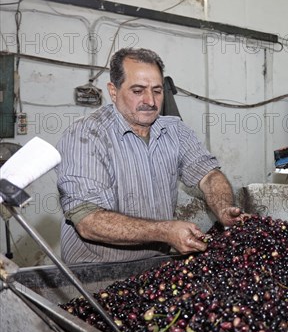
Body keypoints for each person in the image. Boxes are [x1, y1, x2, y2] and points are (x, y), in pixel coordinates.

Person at [56, 48, 243, 264]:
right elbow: (88, 221)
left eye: (157, 90)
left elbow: (209, 176)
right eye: (138, 91)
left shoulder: (175, 130)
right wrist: (164, 231)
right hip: (95, 275)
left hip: (155, 267)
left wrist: (223, 208)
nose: (151, 101)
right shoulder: (86, 135)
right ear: (113, 91)